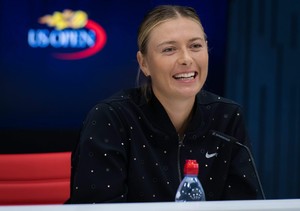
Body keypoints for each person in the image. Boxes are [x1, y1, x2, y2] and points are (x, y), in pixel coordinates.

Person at [66, 5, 262, 204]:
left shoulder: (227, 117)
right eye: (169, 49)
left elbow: (246, 203)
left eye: (195, 46)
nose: (186, 59)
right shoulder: (111, 118)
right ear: (144, 63)